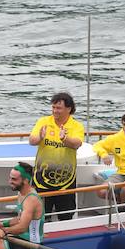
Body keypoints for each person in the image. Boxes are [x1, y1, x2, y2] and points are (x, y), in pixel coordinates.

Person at [29, 92, 84, 220]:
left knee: (65, 215)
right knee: (39, 215)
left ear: (69, 109)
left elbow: (77, 143)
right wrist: (40, 137)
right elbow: (31, 141)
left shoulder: (76, 126)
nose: (55, 111)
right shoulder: (43, 122)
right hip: (41, 178)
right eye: (53, 107)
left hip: (66, 180)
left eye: (58, 108)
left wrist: (65, 139)